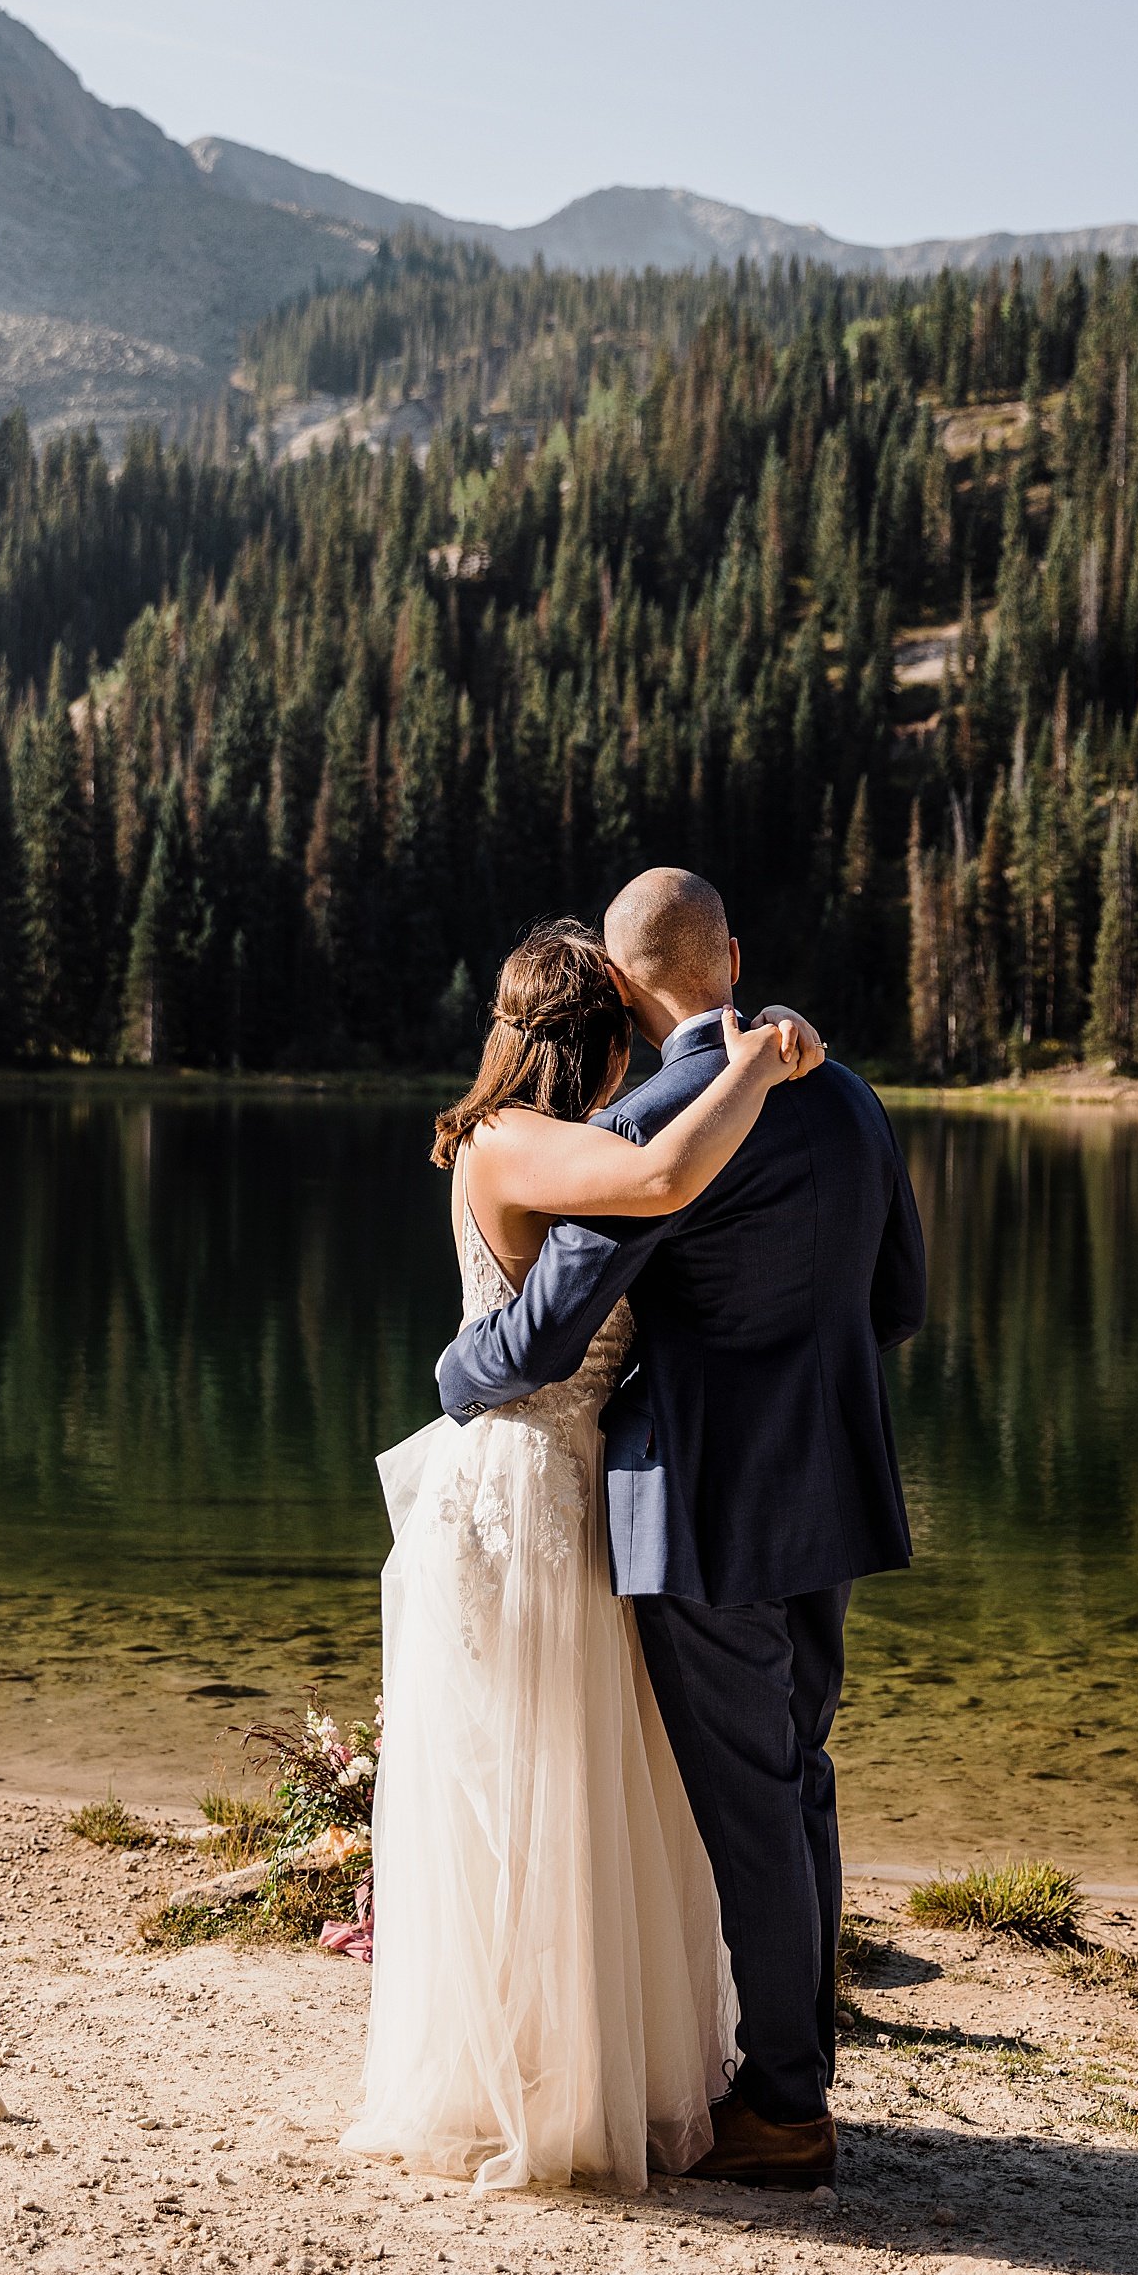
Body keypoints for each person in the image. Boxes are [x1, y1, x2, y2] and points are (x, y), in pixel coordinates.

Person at [437, 868, 926, 2191]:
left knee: (753, 1804)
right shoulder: (852, 1094)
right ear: (731, 953)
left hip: (704, 1501)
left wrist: (454, 1385)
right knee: (801, 1774)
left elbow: (543, 1331)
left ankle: (785, 2102)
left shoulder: (660, 1120)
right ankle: (796, 2075)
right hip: (833, 1478)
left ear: (622, 980)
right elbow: (901, 1298)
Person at [340, 919, 825, 2196]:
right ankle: (524, 2078)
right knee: (519, 1786)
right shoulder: (519, 1141)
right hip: (518, 1490)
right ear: (597, 1034)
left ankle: (577, 2061)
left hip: (575, 1491)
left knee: (586, 1784)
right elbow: (664, 1180)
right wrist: (755, 1062)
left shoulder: (551, 1140)